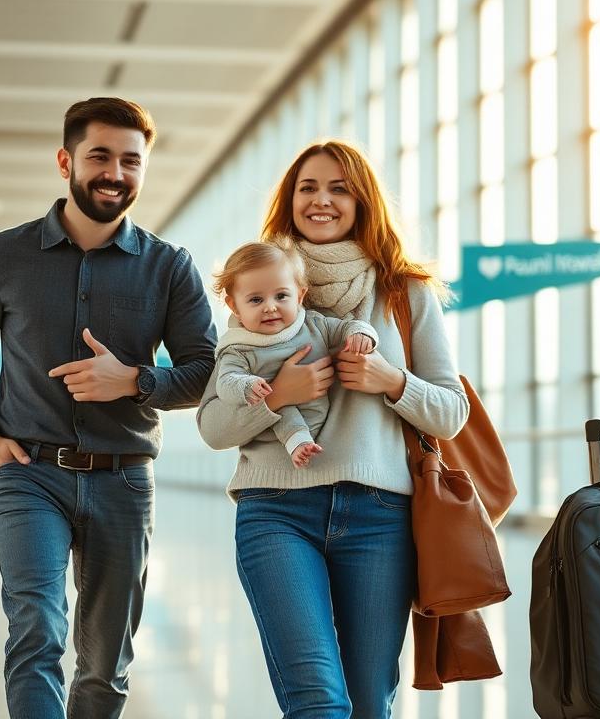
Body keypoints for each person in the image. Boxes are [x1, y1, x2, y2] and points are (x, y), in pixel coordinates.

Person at [0, 97, 216, 719]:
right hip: (28, 474)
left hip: (123, 479)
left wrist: (134, 382)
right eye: (99, 156)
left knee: (104, 664)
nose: (115, 173)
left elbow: (205, 372)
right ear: (65, 161)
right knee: (36, 629)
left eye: (131, 161)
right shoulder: (2, 256)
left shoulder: (170, 269)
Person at [196, 140, 469, 719]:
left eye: (338, 188)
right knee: (317, 700)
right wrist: (281, 397)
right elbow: (215, 427)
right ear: (289, 201)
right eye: (308, 188)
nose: (321, 201)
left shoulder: (404, 293)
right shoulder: (260, 290)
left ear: (363, 201)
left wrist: (391, 380)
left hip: (380, 519)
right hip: (276, 511)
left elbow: (451, 412)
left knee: (370, 703)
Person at [211, 239, 377, 468]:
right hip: (275, 430)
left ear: (299, 296)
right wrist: (247, 385)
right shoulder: (238, 348)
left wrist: (361, 333)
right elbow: (226, 382)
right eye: (256, 300)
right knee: (284, 410)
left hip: (337, 444)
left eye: (281, 296)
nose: (270, 307)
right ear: (235, 307)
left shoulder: (313, 325)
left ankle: (302, 443)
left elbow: (347, 327)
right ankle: (298, 443)